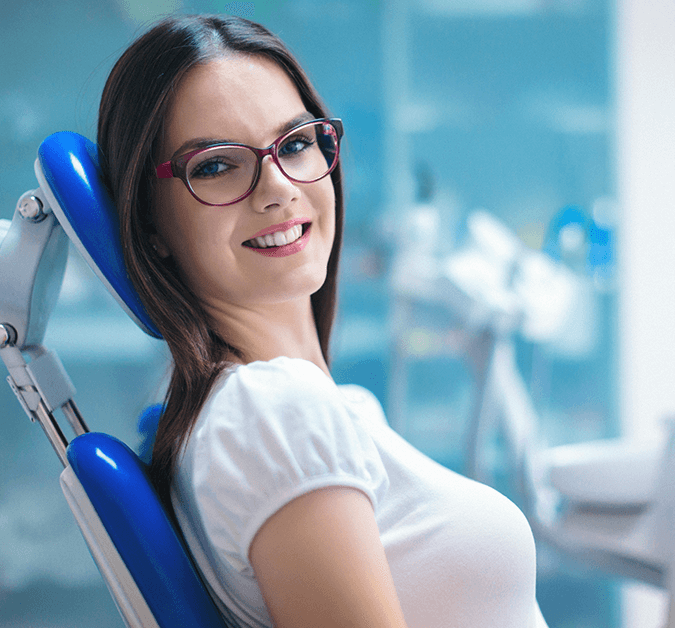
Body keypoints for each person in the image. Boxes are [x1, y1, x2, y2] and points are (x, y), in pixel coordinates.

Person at [97, 14, 548, 628]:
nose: (278, 188)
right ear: (149, 227)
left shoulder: (307, 408)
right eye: (214, 166)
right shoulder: (274, 413)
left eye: (296, 143)